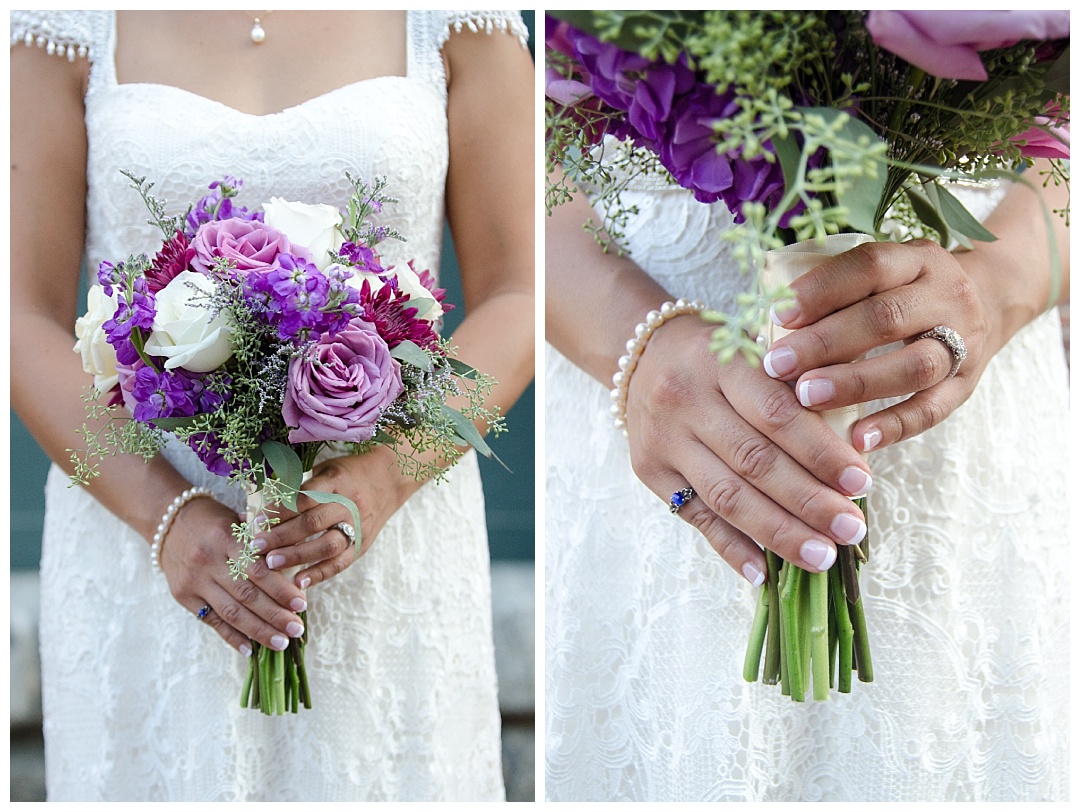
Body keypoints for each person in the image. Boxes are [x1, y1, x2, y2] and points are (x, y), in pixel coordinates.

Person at [10, 10, 533, 802]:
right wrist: (168, 517)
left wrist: (383, 479)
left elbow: (523, 291)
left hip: (382, 538)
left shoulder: (457, 19)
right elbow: (20, 312)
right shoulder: (61, 24)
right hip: (141, 541)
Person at [545, 140, 1069, 798]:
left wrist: (1004, 283)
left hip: (964, 379)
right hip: (650, 377)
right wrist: (636, 341)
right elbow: (525, 152)